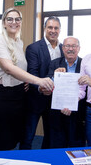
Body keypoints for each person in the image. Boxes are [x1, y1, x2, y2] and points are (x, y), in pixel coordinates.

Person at [0, 7, 54, 151]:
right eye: (9, 19)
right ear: (4, 22)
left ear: (21, 22)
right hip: (0, 96)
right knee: (2, 143)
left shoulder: (18, 42)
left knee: (15, 139)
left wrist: (25, 81)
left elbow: (20, 68)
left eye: (17, 19)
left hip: (18, 95)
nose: (14, 22)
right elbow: (9, 68)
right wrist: (39, 80)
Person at [20, 16, 63, 149]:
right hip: (36, 99)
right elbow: (32, 73)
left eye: (56, 28)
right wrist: (40, 88)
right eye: (50, 27)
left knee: (51, 136)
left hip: (55, 101)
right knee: (28, 136)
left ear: (60, 30)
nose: (53, 30)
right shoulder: (33, 48)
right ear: (45, 28)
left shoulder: (63, 49)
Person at [47, 37, 86, 148]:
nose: (70, 49)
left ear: (79, 48)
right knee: (57, 147)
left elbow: (88, 89)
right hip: (57, 114)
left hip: (78, 115)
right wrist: (55, 76)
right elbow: (48, 83)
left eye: (74, 46)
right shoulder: (54, 64)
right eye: (67, 46)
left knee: (77, 148)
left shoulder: (85, 64)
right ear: (63, 48)